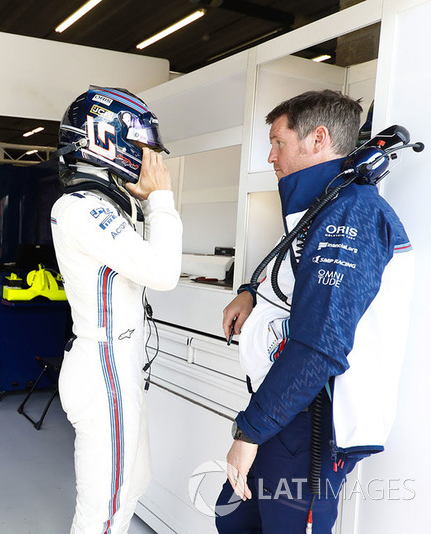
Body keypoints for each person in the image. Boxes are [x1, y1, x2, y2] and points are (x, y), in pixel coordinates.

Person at [217, 90, 415, 533]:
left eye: (278, 142)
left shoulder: (353, 214)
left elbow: (319, 346)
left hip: (313, 421)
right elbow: (292, 273)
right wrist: (250, 290)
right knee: (232, 520)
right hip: (285, 407)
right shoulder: (326, 205)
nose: (271, 156)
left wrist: (249, 433)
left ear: (318, 138)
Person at [50, 86, 183, 533]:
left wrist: (147, 202)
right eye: (142, 147)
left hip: (118, 364)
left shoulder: (100, 204)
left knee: (133, 483)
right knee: (103, 510)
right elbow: (162, 273)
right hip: (102, 366)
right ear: (108, 140)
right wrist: (161, 199)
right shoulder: (81, 207)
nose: (149, 159)